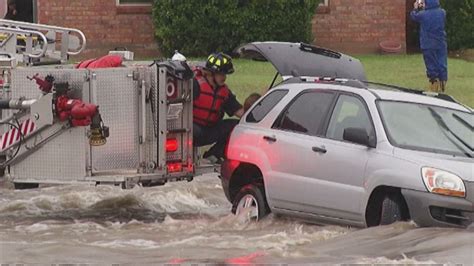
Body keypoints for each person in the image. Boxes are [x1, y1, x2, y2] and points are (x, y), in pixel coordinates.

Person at [193, 52, 244, 164]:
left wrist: (256, 119)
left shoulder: (224, 92)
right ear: (211, 73)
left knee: (238, 126)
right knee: (187, 127)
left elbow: (240, 111)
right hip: (193, 131)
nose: (224, 77)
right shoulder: (195, 85)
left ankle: (213, 154)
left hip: (210, 130)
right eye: (221, 74)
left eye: (225, 74)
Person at [410, 0, 448, 92]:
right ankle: (443, 81)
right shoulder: (442, 12)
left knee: (431, 64)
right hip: (440, 42)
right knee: (441, 61)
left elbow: (413, 16)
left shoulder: (423, 14)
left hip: (428, 43)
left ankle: (434, 83)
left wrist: (416, 8)